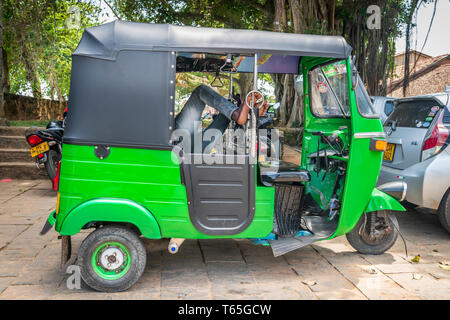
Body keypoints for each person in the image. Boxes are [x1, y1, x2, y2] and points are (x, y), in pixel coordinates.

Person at [175, 84, 269, 152]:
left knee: (226, 115)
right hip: (176, 144)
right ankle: (236, 112)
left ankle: (244, 114)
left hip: (191, 151)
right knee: (200, 91)